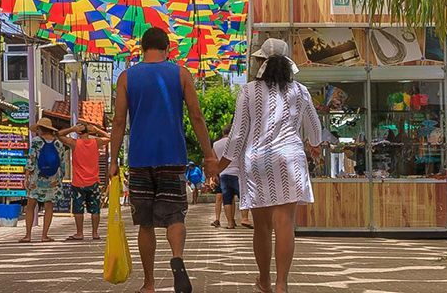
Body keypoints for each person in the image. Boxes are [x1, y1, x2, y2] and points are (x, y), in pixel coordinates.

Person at [110, 26, 219, 293]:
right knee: (175, 216)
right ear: (167, 48)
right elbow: (196, 115)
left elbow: (119, 120)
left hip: (139, 158)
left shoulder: (126, 77)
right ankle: (177, 259)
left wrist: (113, 160)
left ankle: (149, 283)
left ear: (141, 48)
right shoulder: (180, 73)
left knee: (145, 223)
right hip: (173, 156)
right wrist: (208, 154)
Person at [217, 38, 321, 293]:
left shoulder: (249, 90)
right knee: (285, 223)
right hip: (290, 160)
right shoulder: (300, 91)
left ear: (261, 62)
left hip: (258, 161)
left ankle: (263, 280)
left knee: (261, 227)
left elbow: (239, 134)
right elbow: (315, 131)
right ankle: (282, 284)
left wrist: (219, 165)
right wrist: (314, 144)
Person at [21, 122, 66, 243]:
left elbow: (31, 160)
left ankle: (28, 235)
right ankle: (44, 235)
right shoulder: (58, 143)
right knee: (49, 206)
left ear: (40, 129)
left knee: (30, 206)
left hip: (36, 178)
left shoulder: (36, 141)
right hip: (52, 179)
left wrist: (26, 177)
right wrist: (60, 178)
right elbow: (62, 163)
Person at [63, 120, 108, 240]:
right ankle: (95, 233)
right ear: (88, 131)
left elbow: (59, 135)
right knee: (95, 209)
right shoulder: (96, 142)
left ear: (78, 132)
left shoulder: (74, 143)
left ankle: (79, 232)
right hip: (93, 181)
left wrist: (72, 129)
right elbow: (111, 137)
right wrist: (97, 130)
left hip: (78, 182)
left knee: (78, 208)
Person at [210, 133, 241, 229]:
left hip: (222, 173)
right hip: (237, 172)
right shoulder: (237, 142)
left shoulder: (216, 144)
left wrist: (213, 175)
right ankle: (244, 218)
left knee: (226, 199)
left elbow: (213, 160)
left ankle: (229, 222)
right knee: (242, 197)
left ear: (223, 133)